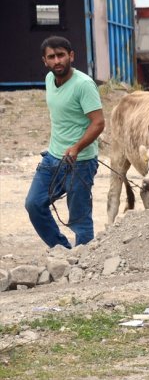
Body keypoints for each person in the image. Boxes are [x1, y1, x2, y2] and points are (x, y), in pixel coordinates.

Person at [25, 36, 105, 249]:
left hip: (81, 162)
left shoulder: (84, 85)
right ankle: (62, 251)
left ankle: (84, 262)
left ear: (71, 56)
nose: (57, 61)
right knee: (33, 204)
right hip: (52, 158)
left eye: (61, 55)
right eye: (51, 57)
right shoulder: (49, 80)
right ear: (45, 61)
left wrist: (77, 147)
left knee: (79, 218)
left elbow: (98, 123)